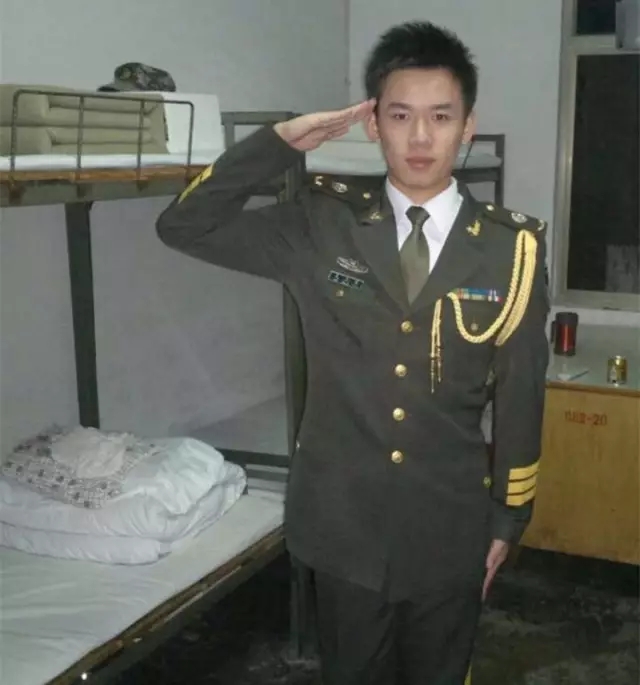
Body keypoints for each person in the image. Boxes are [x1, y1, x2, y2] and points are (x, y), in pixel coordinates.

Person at [156, 20, 550, 685]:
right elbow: (183, 225)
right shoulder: (321, 223)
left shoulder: (513, 250)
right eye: (400, 115)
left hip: (450, 527)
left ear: (467, 126)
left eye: (440, 116)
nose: (420, 137)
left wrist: (509, 521)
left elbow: (521, 394)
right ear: (373, 125)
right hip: (343, 529)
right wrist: (279, 143)